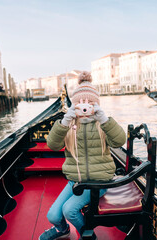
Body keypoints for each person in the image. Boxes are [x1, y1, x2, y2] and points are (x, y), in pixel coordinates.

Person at [39, 71, 126, 240]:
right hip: (75, 182)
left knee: (69, 210)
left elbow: (119, 141)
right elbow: (53, 144)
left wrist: (104, 119)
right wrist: (64, 122)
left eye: (89, 103)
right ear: (74, 105)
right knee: (53, 216)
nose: (85, 107)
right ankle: (61, 229)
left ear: (96, 105)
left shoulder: (103, 124)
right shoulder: (69, 125)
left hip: (98, 183)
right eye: (80, 103)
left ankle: (88, 236)